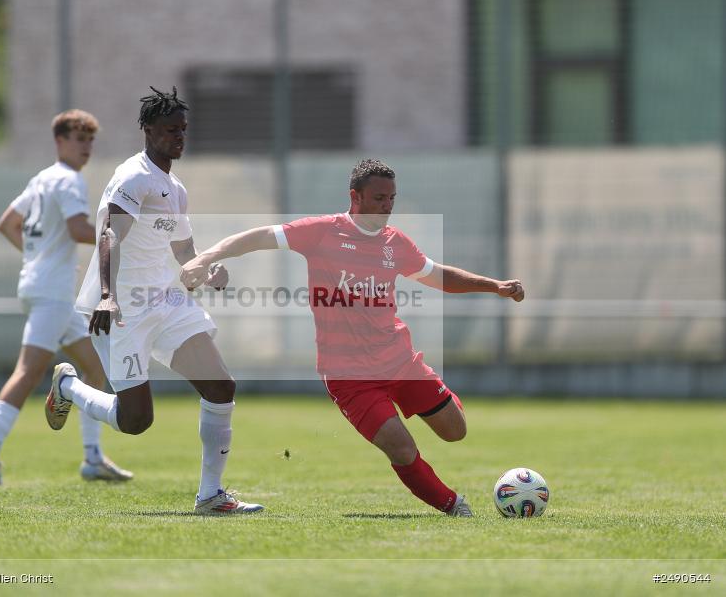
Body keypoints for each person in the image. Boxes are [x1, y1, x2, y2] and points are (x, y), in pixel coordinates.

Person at [179, 159, 526, 517]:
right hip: (350, 378)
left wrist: (494, 286)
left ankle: (436, 396)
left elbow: (438, 275)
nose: (387, 207)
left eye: (392, 198)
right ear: (354, 197)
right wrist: (206, 258)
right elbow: (259, 236)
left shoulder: (396, 243)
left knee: (456, 431)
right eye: (379, 198)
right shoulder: (322, 232)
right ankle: (453, 505)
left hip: (400, 362)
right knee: (402, 448)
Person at [44, 87, 263, 515]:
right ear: (148, 130)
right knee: (136, 421)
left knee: (221, 386)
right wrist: (107, 296)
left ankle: (211, 496)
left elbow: (183, 254)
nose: (178, 137)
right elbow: (109, 235)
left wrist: (208, 271)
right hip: (124, 310)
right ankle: (67, 385)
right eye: (169, 130)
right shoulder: (134, 177)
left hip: (167, 301)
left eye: (183, 130)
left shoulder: (175, 187)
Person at [0, 110, 132, 485]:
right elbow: (77, 229)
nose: (86, 146)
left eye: (90, 139)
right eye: (79, 138)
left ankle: (93, 459)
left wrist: (35, 257)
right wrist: (118, 239)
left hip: (45, 288)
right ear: (60, 141)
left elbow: (7, 223)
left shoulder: (42, 178)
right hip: (51, 293)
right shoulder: (69, 179)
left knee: (94, 368)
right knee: (28, 371)